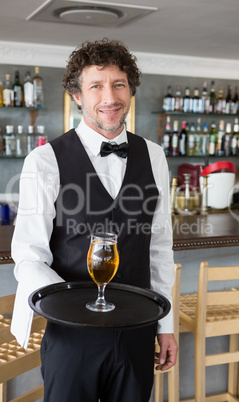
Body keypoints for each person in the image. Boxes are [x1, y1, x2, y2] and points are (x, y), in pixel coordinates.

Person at [11, 38, 177, 402]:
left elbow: (160, 249)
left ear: (130, 89)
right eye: (96, 86)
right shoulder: (45, 161)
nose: (110, 97)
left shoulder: (155, 155)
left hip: (138, 329)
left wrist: (166, 324)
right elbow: (28, 256)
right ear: (77, 95)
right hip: (73, 336)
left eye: (119, 84)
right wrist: (71, 302)